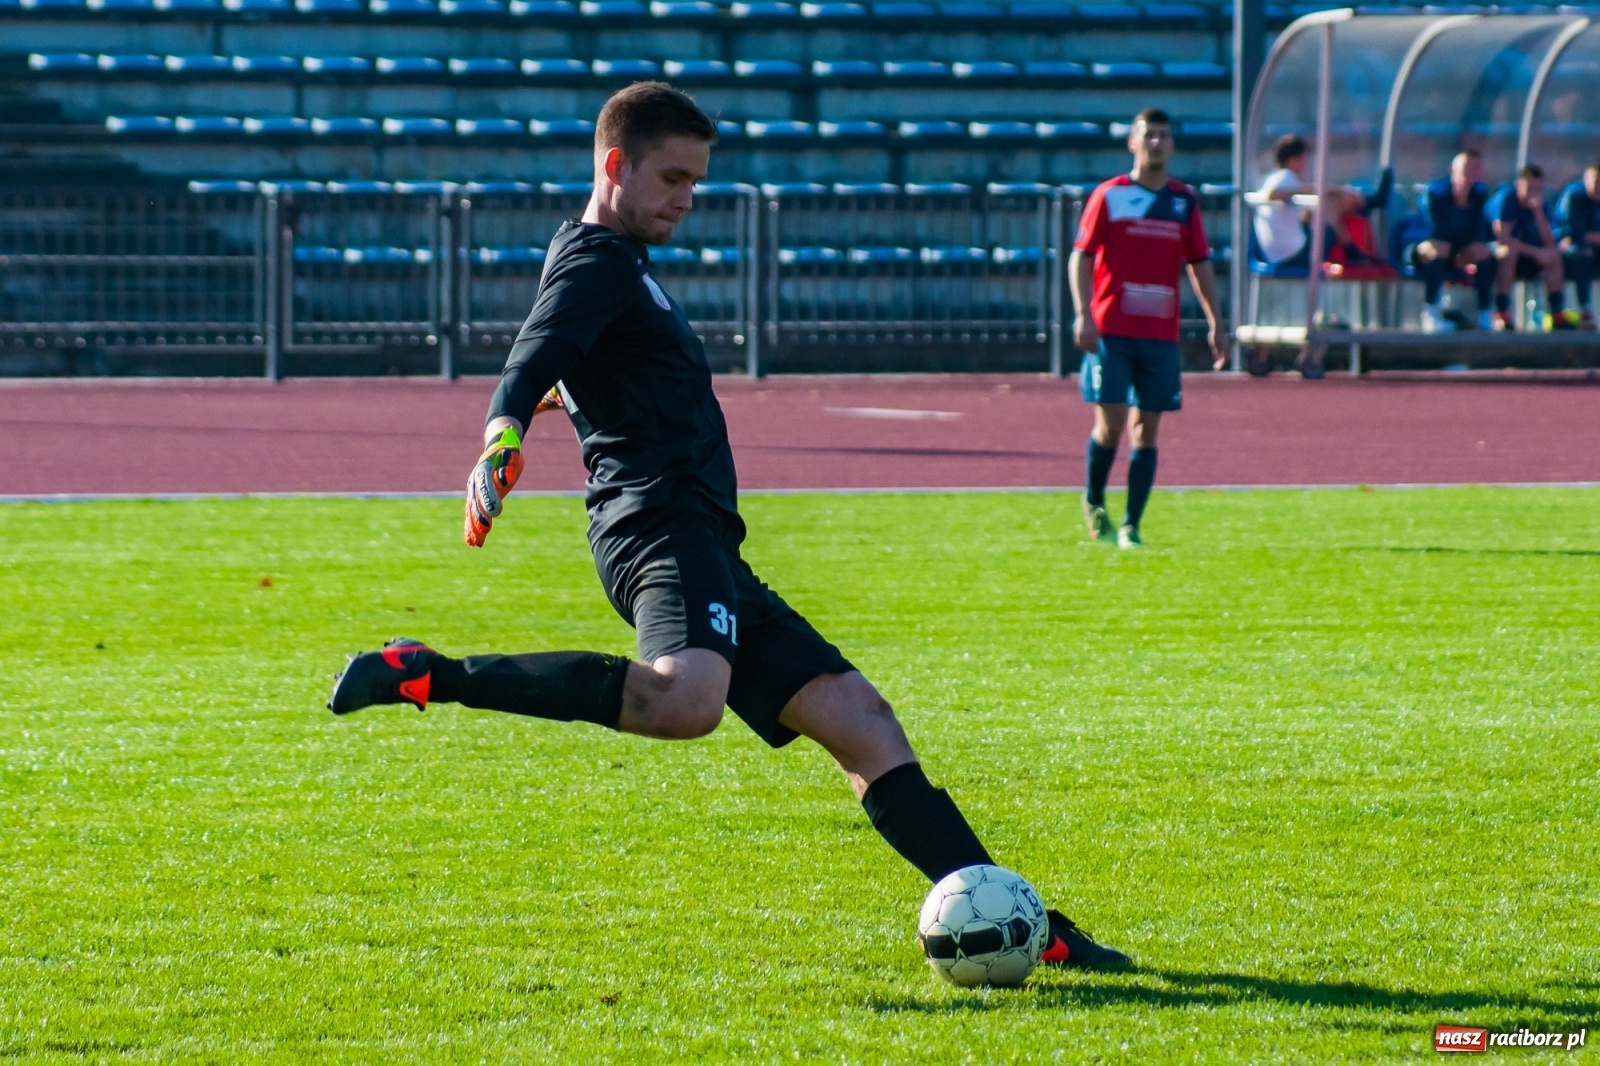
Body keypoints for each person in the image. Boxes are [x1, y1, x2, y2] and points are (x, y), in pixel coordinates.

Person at [326, 82, 1129, 971]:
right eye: (672, 177)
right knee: (685, 701)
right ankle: (431, 675)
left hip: (703, 538)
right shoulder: (596, 261)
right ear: (615, 165)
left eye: (696, 182)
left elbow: (585, 363)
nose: (686, 198)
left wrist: (571, 397)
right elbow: (530, 359)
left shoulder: (620, 265)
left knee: (864, 722)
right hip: (658, 526)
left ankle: (1032, 931)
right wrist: (502, 438)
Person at [1071, 107, 1227, 550]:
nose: (1156, 142)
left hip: (1159, 335)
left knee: (1147, 429)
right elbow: (1080, 256)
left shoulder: (1183, 202)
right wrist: (1083, 313)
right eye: (1148, 134)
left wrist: (1217, 322)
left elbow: (1199, 263)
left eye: (1163, 135)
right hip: (1112, 330)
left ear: (1172, 144)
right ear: (1133, 142)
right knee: (1111, 424)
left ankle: (1131, 526)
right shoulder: (1110, 195)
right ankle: (1094, 499)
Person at [1252, 133, 1389, 271]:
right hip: (1294, 256)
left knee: (1324, 202)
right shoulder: (1286, 176)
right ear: (1293, 159)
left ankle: (1354, 243)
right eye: (1304, 158)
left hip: (1278, 254)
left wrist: (1321, 190)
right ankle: (1365, 209)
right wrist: (1313, 189)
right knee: (1331, 201)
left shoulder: (1271, 178)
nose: (1306, 163)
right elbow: (1273, 194)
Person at [1403, 150, 1495, 333]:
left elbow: (1476, 232)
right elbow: (1437, 231)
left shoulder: (1478, 194)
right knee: (1440, 248)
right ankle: (1430, 313)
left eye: (1476, 168)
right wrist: (1459, 204)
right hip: (1420, 247)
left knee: (1481, 251)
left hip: (1454, 250)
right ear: (1454, 170)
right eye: (1467, 168)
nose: (1472, 173)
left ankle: (1485, 315)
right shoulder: (1436, 192)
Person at [1486, 164, 1578, 331]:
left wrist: (1538, 213)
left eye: (1538, 188)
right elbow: (1503, 238)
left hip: (1528, 254)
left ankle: (1556, 312)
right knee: (1508, 253)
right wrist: (1536, 253)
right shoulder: (1507, 200)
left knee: (1553, 255)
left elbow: (1549, 240)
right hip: (1495, 253)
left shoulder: (1541, 204)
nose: (1534, 192)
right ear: (1519, 184)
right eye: (1530, 187)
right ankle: (1502, 312)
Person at [1554, 158, 1600, 329]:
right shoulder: (1575, 195)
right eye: (1595, 182)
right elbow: (1576, 234)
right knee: (1584, 253)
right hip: (1569, 250)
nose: (1598, 187)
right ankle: (1583, 310)